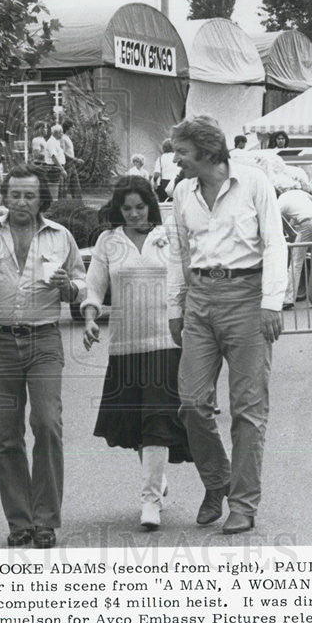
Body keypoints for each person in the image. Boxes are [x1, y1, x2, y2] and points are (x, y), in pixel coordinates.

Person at [0, 164, 85, 549]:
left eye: (29, 195)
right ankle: (19, 520)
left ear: (42, 198)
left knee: (47, 423)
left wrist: (69, 288)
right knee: (8, 435)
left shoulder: (61, 237)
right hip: (1, 342)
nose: (22, 202)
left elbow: (81, 282)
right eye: (15, 195)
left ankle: (45, 520)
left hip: (44, 340)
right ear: (5, 197)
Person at [166, 117, 287, 535]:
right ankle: (217, 481)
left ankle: (243, 503)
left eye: (181, 151)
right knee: (191, 404)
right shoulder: (182, 191)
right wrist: (176, 306)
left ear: (206, 151)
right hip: (200, 298)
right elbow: (179, 250)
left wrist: (271, 302)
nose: (176, 159)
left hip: (247, 297)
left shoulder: (253, 183)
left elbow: (275, 242)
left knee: (247, 410)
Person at [80, 176, 192, 531]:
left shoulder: (168, 236)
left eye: (140, 207)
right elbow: (95, 283)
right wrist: (89, 316)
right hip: (126, 345)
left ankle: (150, 502)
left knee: (158, 420)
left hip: (166, 341)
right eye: (126, 209)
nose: (133, 214)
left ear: (150, 205)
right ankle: (155, 480)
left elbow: (186, 279)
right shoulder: (107, 241)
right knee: (138, 425)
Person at [278, 188, 312, 309]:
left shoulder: (280, 200)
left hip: (307, 223)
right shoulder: (299, 193)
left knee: (296, 262)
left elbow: (275, 219)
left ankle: (288, 299)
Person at [59, 119, 85, 200]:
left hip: (71, 164)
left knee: (76, 185)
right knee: (64, 186)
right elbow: (62, 152)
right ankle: (61, 204)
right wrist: (76, 159)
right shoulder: (62, 138)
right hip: (67, 164)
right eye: (72, 127)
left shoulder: (68, 138)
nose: (74, 129)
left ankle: (78, 204)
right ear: (68, 128)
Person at [44, 123, 68, 201]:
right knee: (56, 191)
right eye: (61, 132)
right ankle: (54, 207)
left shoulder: (56, 141)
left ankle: (58, 207)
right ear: (56, 133)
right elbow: (53, 157)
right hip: (54, 168)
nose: (62, 134)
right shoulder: (51, 142)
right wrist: (62, 169)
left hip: (57, 168)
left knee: (60, 190)